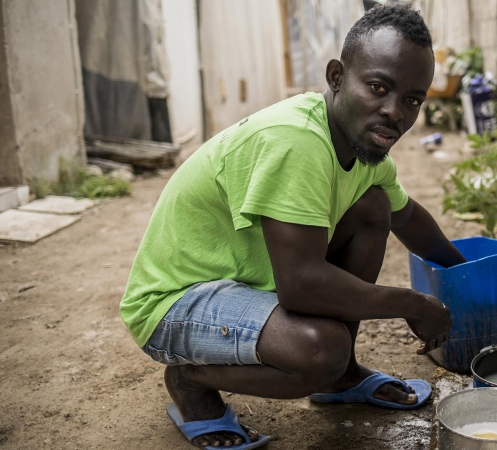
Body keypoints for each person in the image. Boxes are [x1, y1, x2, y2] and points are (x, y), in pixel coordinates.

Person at [120, 3, 466, 448]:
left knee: (372, 208)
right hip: (175, 305)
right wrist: (413, 304)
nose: (395, 111)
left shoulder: (363, 147)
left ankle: (341, 378)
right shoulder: (297, 140)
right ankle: (192, 383)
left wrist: (465, 276)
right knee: (319, 349)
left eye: (412, 99)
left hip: (240, 283)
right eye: (378, 86)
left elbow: (408, 217)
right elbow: (300, 285)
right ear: (336, 76)